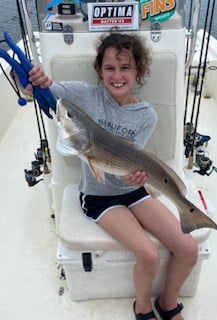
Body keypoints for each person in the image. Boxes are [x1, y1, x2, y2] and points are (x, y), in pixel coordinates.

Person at [25, 32, 198, 320]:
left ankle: (168, 303)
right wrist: (31, 82)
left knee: (189, 249)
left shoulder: (146, 115)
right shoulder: (82, 95)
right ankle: (143, 307)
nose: (117, 75)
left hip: (134, 190)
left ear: (138, 71)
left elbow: (133, 161)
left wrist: (138, 180)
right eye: (109, 68)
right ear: (100, 71)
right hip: (99, 198)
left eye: (125, 67)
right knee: (149, 254)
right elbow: (41, 93)